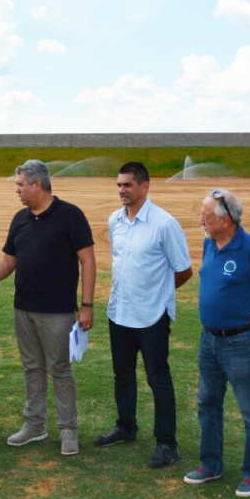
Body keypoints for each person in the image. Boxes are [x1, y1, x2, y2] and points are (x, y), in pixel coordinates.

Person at [0, 160, 95, 456]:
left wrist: (86, 305)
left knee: (60, 369)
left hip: (58, 311)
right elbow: (9, 261)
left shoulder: (70, 215)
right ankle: (35, 425)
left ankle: (68, 429)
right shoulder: (20, 219)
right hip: (24, 309)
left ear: (37, 184)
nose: (17, 190)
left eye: (20, 185)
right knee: (33, 368)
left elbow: (87, 260)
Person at [183, 188, 250, 497]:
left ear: (225, 220)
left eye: (205, 215)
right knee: (207, 403)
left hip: (241, 342)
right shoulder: (209, 243)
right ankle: (210, 464)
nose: (200, 220)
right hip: (209, 341)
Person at [93, 162, 192, 469]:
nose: (122, 190)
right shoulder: (115, 220)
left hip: (152, 316)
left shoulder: (165, 224)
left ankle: (167, 443)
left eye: (128, 185)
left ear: (144, 186)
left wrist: (158, 293)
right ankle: (125, 426)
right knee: (122, 375)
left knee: (157, 378)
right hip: (119, 312)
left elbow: (184, 270)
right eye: (119, 185)